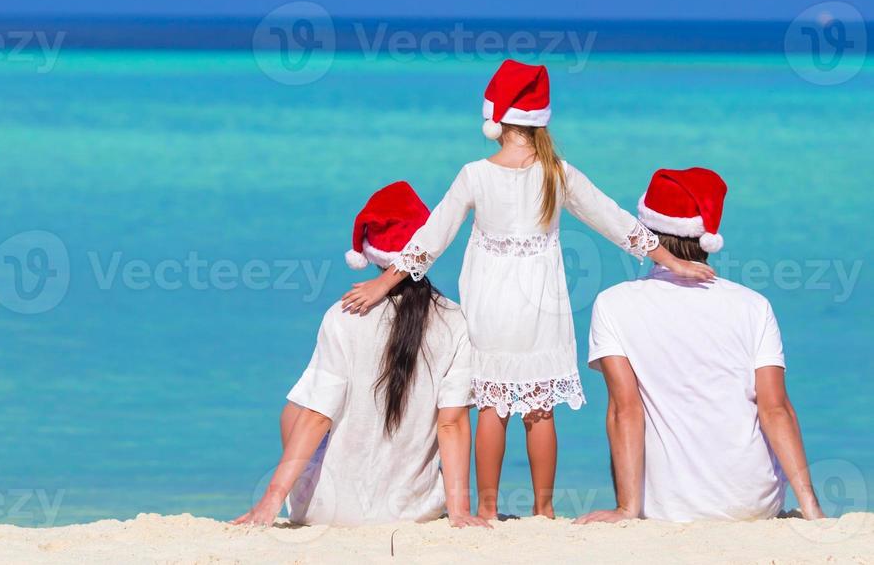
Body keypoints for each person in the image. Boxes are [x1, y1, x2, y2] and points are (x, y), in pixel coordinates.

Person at [341, 60, 712, 521]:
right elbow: (614, 220)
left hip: (490, 303)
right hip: (544, 304)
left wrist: (384, 281)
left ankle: (489, 510)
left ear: (495, 119)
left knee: (493, 407)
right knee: (540, 409)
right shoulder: (557, 173)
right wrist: (672, 259)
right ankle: (545, 510)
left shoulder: (475, 174)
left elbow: (430, 239)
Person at [234, 181, 489, 528]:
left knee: (295, 409)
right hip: (413, 512)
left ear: (370, 252)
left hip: (329, 510)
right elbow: (452, 422)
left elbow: (319, 415)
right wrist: (459, 512)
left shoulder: (344, 315)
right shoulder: (455, 319)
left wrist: (269, 502)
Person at [577, 167, 823, 523]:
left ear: (646, 229)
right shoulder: (753, 305)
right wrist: (811, 507)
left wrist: (626, 510)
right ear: (708, 236)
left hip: (665, 507)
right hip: (753, 502)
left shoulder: (613, 304)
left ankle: (630, 503)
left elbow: (624, 410)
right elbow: (776, 410)